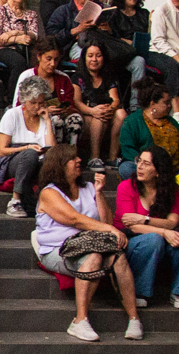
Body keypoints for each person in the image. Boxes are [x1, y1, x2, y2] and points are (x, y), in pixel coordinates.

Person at [33, 146, 143, 343]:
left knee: (118, 256)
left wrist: (99, 194)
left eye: (77, 157)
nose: (78, 161)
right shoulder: (49, 193)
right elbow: (74, 219)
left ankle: (134, 318)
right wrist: (110, 230)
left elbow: (107, 221)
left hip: (92, 243)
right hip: (57, 249)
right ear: (59, 164)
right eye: (72, 158)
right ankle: (79, 320)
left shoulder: (89, 188)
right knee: (94, 256)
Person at [117, 147, 179, 311]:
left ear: (159, 171)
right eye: (139, 161)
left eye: (146, 164)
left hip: (160, 246)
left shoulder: (172, 190)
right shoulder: (126, 187)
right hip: (130, 243)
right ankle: (140, 292)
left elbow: (173, 222)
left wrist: (144, 219)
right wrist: (163, 231)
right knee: (153, 239)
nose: (139, 166)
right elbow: (130, 225)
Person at [117, 82, 179, 198]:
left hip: (175, 170)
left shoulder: (172, 122)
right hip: (149, 171)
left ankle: (171, 192)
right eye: (166, 103)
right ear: (153, 104)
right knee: (126, 169)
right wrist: (149, 165)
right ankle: (172, 192)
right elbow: (127, 149)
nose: (170, 106)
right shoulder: (132, 121)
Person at [0, 80, 59, 218]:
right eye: (33, 103)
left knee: (52, 159)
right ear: (24, 101)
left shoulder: (46, 117)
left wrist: (48, 121)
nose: (37, 106)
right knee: (30, 154)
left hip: (39, 161)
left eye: (41, 103)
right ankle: (15, 200)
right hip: (14, 161)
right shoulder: (12, 115)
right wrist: (27, 147)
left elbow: (52, 148)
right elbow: (2, 150)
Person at [74, 41, 127, 166]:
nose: (94, 59)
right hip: (86, 115)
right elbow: (77, 102)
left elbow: (115, 100)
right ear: (84, 57)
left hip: (104, 113)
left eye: (98, 55)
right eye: (90, 55)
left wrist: (111, 109)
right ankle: (94, 158)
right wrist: (93, 111)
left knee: (121, 113)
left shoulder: (108, 76)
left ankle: (112, 158)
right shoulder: (78, 77)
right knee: (98, 118)